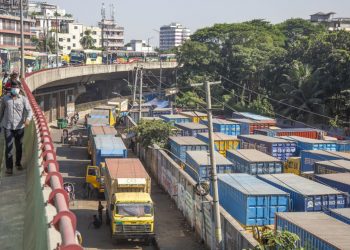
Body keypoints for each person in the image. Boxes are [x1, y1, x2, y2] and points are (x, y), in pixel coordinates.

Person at [0, 80, 32, 175]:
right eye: (14, 87)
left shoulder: (23, 99)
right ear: (11, 89)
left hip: (19, 127)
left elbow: (30, 110)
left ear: (19, 89)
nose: (15, 89)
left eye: (17, 88)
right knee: (9, 147)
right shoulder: (5, 99)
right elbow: (1, 112)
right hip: (8, 126)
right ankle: (9, 168)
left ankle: (18, 163)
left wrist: (28, 119)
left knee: (19, 147)